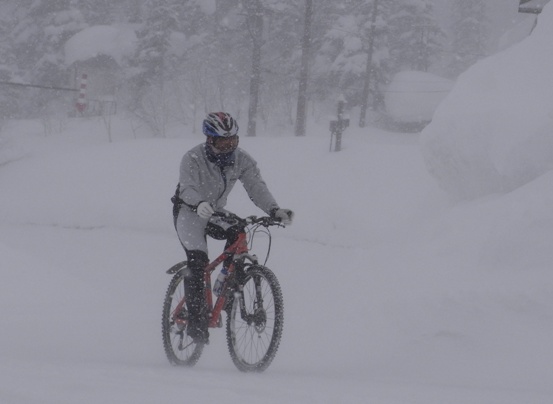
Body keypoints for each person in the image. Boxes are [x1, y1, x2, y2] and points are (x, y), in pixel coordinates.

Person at [172, 112, 294, 344]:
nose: (229, 146)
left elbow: (256, 187)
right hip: (189, 211)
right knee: (197, 263)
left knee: (238, 231)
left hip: (214, 211)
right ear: (210, 140)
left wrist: (274, 210)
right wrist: (198, 203)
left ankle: (228, 291)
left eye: (233, 141)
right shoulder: (192, 158)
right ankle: (196, 324)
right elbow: (186, 188)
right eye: (223, 141)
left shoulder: (242, 160)